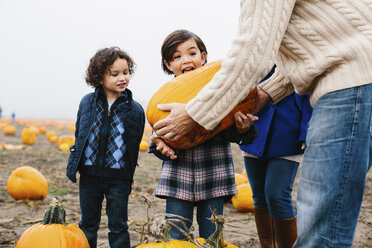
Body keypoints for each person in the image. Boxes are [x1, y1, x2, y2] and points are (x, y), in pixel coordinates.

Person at [152, 1, 372, 247]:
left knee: (319, 222)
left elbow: (253, 54)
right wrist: (265, 92)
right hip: (352, 78)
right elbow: (303, 57)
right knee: (321, 218)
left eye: (192, 53)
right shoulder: (171, 93)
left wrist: (194, 114)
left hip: (350, 82)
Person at [149, 29, 258, 240]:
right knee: (177, 236)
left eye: (192, 53)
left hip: (214, 176)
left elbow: (232, 129)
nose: (186, 60)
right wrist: (160, 146)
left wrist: (242, 129)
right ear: (168, 65)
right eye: (177, 57)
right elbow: (157, 133)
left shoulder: (220, 91)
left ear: (204, 57)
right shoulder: (166, 95)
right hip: (177, 178)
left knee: (213, 236)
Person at [66, 47, 145, 248]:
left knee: (118, 225)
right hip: (89, 175)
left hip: (118, 177)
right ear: (100, 78)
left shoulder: (134, 109)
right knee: (88, 224)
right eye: (115, 74)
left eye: (126, 72)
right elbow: (80, 134)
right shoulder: (87, 103)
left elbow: (134, 144)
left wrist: (128, 175)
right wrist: (75, 164)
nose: (122, 78)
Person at [240, 67, 312, 247]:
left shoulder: (297, 49)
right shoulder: (256, 55)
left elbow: (310, 91)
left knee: (277, 195)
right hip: (254, 131)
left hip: (288, 132)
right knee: (259, 195)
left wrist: (306, 130)